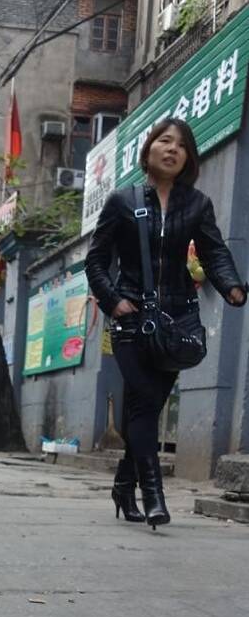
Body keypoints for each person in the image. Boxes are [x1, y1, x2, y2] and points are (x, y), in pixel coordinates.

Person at [86, 118, 246, 527]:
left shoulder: (197, 204)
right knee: (143, 401)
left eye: (181, 145)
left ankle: (124, 486)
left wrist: (231, 286)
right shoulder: (122, 201)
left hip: (176, 323)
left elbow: (213, 252)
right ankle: (154, 495)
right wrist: (114, 301)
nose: (173, 149)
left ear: (189, 158)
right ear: (149, 149)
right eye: (165, 141)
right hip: (130, 319)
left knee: (147, 407)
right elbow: (96, 260)